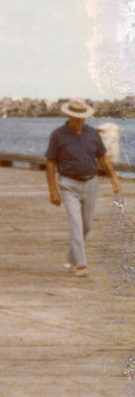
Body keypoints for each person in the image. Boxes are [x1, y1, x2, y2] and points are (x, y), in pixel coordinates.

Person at [45, 98, 123, 276]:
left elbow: (102, 157)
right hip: (68, 184)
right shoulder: (58, 135)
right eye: (75, 117)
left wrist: (113, 177)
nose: (79, 120)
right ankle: (81, 265)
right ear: (68, 116)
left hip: (90, 183)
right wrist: (53, 190)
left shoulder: (92, 133)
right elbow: (50, 162)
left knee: (86, 225)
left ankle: (72, 258)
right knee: (75, 223)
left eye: (82, 117)